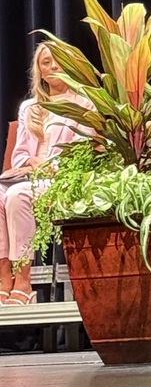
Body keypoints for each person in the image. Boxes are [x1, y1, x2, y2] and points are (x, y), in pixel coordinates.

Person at [0, 41, 90, 305]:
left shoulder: (84, 104)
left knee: (17, 195)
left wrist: (53, 165)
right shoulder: (29, 107)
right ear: (39, 69)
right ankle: (5, 277)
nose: (52, 66)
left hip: (63, 181)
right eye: (46, 62)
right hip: (30, 176)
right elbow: (19, 155)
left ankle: (24, 281)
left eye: (58, 60)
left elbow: (86, 152)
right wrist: (33, 163)